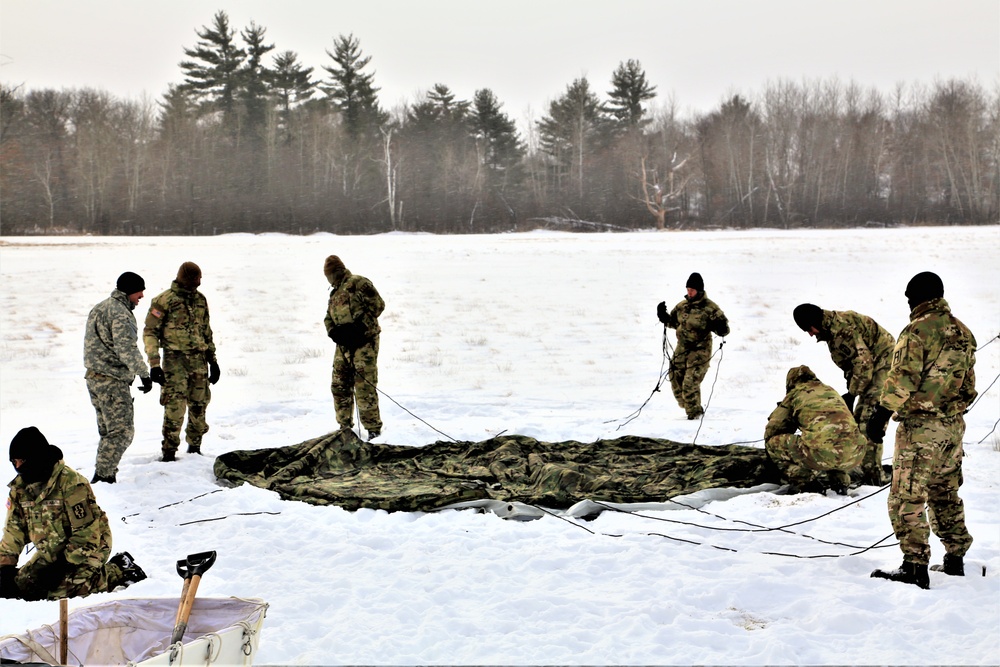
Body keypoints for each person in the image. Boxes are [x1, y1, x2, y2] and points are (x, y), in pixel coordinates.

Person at [867, 271, 976, 589]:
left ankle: (914, 566)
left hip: (921, 430)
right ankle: (955, 559)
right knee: (945, 493)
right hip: (952, 429)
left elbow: (902, 378)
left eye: (909, 298)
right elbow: (968, 386)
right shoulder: (963, 332)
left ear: (916, 298)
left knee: (905, 498)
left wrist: (880, 416)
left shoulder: (917, 330)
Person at [1, 427, 146, 601]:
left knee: (59, 592)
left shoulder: (71, 484)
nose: (17, 467)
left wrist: (60, 568)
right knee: (23, 587)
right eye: (13, 462)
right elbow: (13, 532)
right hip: (52, 551)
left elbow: (86, 534)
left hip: (91, 547)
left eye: (21, 461)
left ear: (35, 457)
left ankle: (119, 569)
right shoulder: (20, 490)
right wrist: (5, 568)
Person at [792, 303, 896, 485]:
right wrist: (851, 389)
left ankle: (873, 475)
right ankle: (861, 466)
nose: (810, 334)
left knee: (869, 418)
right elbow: (852, 364)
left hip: (883, 364)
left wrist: (852, 393)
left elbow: (863, 365)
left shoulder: (842, 330)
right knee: (857, 419)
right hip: (870, 367)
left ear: (816, 321)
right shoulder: (829, 329)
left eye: (809, 329)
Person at [143, 262, 220, 461]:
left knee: (199, 405)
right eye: (195, 279)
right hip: (175, 362)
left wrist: (213, 361)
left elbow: (206, 331)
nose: (199, 283)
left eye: (200, 279)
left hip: (199, 361)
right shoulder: (164, 301)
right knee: (174, 407)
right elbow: (150, 332)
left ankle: (195, 448)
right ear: (185, 279)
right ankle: (169, 452)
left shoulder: (200, 300)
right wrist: (154, 364)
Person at [84, 271, 153, 484]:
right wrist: (144, 373)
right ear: (129, 290)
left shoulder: (100, 307)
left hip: (95, 379)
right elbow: (126, 349)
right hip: (111, 380)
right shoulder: (120, 313)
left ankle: (105, 474)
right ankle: (104, 477)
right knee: (121, 432)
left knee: (108, 432)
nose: (142, 295)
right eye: (139, 291)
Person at [764, 365, 866, 493]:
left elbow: (774, 428)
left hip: (822, 453)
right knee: (835, 440)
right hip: (856, 453)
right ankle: (840, 481)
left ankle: (805, 481)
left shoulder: (795, 393)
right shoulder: (830, 391)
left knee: (772, 443)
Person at [324, 255, 385, 439]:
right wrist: (334, 332)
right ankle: (344, 428)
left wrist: (359, 327)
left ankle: (373, 430)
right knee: (339, 385)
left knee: (364, 386)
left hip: (364, 343)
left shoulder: (359, 283)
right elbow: (328, 318)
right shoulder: (334, 293)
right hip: (343, 346)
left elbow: (378, 306)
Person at [656, 272, 729, 419]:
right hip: (682, 348)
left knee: (690, 383)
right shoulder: (682, 306)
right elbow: (674, 323)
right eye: (687, 289)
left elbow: (724, 330)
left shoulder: (710, 308)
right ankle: (690, 406)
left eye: (692, 289)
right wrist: (663, 317)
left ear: (699, 290)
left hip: (700, 350)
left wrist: (720, 328)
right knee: (675, 376)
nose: (689, 292)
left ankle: (694, 416)